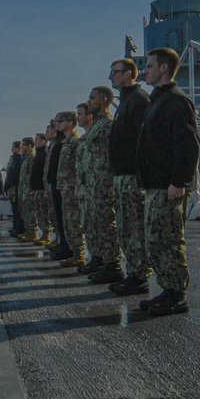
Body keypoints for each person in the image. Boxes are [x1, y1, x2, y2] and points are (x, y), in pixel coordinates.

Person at [136, 47, 200, 316]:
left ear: (163, 68)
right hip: (155, 185)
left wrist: (179, 181)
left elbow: (188, 144)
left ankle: (177, 295)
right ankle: (167, 289)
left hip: (168, 186)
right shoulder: (158, 101)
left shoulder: (176, 101)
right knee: (155, 240)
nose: (145, 71)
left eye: (150, 66)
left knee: (169, 240)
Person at [107, 58, 152, 296]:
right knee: (125, 229)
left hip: (133, 177)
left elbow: (144, 141)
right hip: (122, 176)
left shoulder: (139, 99)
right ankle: (132, 273)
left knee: (135, 229)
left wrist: (139, 175)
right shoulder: (126, 101)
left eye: (115, 72)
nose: (111, 77)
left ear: (128, 74)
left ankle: (139, 276)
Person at [81, 85, 122, 284]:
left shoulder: (108, 124)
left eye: (92, 98)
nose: (89, 101)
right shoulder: (96, 125)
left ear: (104, 100)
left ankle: (113, 264)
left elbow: (114, 153)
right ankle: (99, 259)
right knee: (95, 223)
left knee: (106, 224)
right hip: (92, 184)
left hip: (104, 183)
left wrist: (112, 183)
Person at [55, 110, 84, 267]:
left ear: (70, 123)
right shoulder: (65, 142)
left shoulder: (75, 142)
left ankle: (79, 254)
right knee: (67, 221)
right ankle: (73, 252)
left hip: (72, 188)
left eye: (60, 121)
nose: (57, 124)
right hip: (64, 188)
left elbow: (79, 166)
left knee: (74, 221)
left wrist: (77, 186)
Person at [45, 121, 71, 259]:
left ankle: (67, 248)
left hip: (63, 185)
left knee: (66, 219)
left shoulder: (64, 142)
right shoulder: (56, 144)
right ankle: (63, 244)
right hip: (56, 184)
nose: (56, 126)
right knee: (59, 218)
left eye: (58, 123)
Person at [27, 132, 51, 245]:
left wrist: (45, 188)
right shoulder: (38, 155)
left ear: (44, 141)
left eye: (37, 140)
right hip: (36, 189)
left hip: (42, 189)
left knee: (44, 213)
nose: (35, 142)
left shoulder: (45, 154)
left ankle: (46, 235)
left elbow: (45, 173)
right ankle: (44, 235)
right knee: (40, 213)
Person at [15, 137, 36, 241]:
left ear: (29, 146)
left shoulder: (32, 157)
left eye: (23, 145)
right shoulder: (26, 158)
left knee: (30, 212)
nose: (21, 147)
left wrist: (30, 189)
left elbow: (32, 175)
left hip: (28, 189)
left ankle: (32, 232)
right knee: (25, 211)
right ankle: (28, 231)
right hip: (23, 189)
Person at [3, 141, 24, 236]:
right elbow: (9, 175)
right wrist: (6, 186)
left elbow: (16, 175)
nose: (12, 149)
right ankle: (15, 227)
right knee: (14, 209)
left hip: (16, 187)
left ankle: (19, 228)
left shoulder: (20, 160)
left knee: (17, 209)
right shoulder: (13, 160)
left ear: (18, 148)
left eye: (13, 147)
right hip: (11, 188)